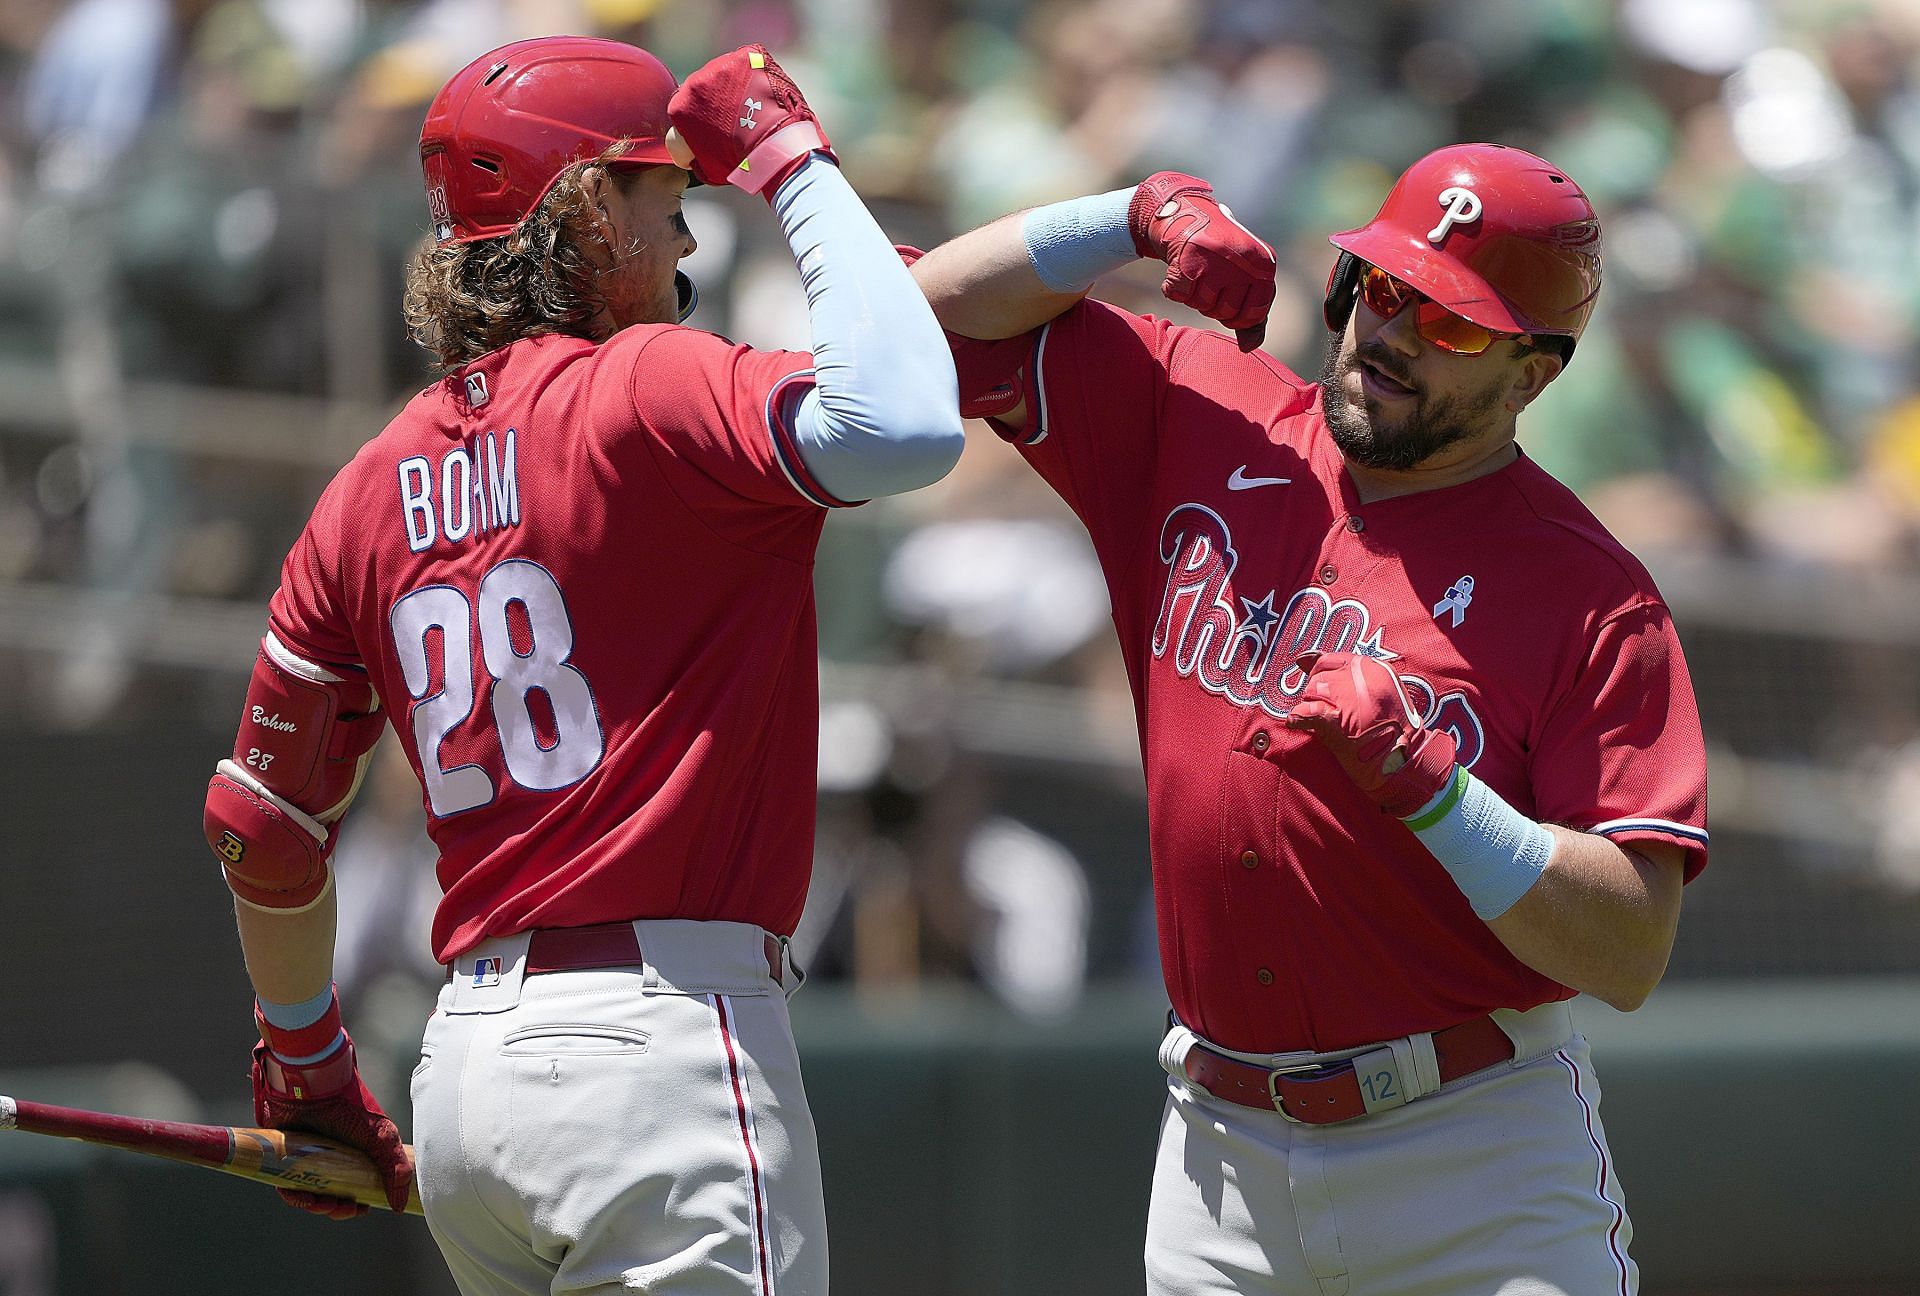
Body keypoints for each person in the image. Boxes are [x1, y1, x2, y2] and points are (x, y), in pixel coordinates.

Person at [199, 36, 962, 1295]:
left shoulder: (367, 482)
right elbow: (905, 421)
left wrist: (306, 1053)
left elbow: (263, 823)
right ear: (588, 208)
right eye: (664, 204)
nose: (686, 247)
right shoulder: (644, 386)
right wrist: (789, 157)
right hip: (663, 1055)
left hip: (468, 1077)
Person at [909, 147, 1708, 1293]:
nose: (1395, 335)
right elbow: (918, 322)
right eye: (1386, 290)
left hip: (1473, 1156)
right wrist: (1130, 217)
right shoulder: (1205, 412)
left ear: (1534, 376)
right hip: (1216, 1158)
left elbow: (1630, 949)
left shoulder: (1596, 598)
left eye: (1456, 327)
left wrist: (1434, 793)